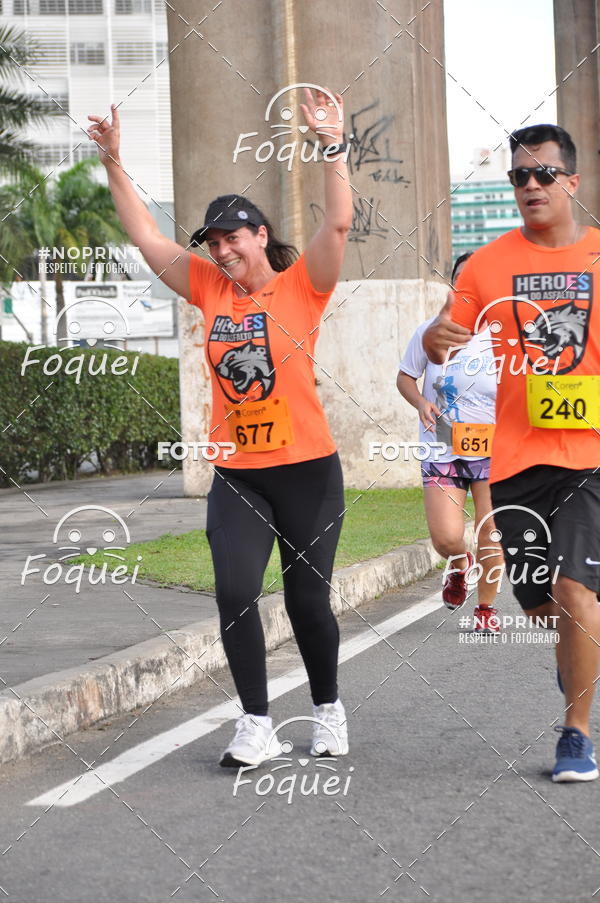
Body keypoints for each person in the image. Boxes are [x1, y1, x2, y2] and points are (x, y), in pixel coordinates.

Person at [87, 88, 353, 767]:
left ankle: (327, 707)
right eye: (213, 242)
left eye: (233, 238)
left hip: (308, 472)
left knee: (306, 600)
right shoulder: (208, 287)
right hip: (239, 474)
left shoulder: (302, 286)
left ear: (260, 236)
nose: (223, 250)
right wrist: (115, 162)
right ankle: (256, 721)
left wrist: (333, 145)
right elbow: (147, 237)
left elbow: (339, 226)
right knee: (235, 591)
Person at [423, 124, 600, 782]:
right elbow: (447, 336)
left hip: (590, 454)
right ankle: (575, 645)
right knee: (539, 601)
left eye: (543, 174)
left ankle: (575, 734)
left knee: (576, 586)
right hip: (517, 459)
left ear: (571, 182)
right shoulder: (487, 264)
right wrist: (442, 337)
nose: (530, 185)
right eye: (518, 177)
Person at [397, 253, 502, 631]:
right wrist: (421, 402)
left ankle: (485, 610)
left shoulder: (506, 338)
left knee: (491, 531)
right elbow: (405, 378)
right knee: (445, 538)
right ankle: (459, 562)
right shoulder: (430, 332)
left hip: (495, 449)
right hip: (441, 446)